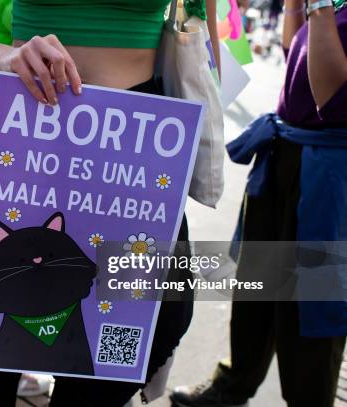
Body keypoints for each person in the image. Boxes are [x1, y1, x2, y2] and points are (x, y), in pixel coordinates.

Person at [0, 0, 221, 405]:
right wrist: (8, 56)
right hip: (27, 124)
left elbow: (206, 47)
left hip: (132, 140)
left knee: (159, 312)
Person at [170, 0, 347, 406]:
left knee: (312, 304)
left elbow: (329, 96)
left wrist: (318, 8)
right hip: (288, 155)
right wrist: (296, 7)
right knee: (258, 287)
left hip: (330, 177)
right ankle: (233, 386)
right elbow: (297, 56)